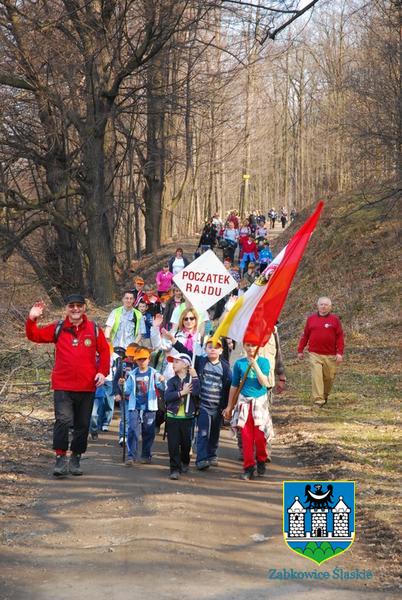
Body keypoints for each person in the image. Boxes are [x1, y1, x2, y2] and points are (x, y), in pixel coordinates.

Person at [25, 295, 110, 477]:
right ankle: (60, 457)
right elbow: (34, 335)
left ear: (84, 308)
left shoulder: (94, 329)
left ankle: (76, 457)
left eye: (79, 306)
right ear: (67, 308)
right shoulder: (58, 328)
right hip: (63, 385)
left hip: (87, 386)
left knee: (82, 424)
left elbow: (104, 351)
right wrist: (32, 319)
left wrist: (102, 372)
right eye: (72, 306)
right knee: (63, 421)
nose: (75, 309)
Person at [223, 342, 273, 480]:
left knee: (259, 436)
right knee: (246, 437)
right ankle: (248, 467)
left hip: (259, 403)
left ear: (259, 347)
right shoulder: (239, 364)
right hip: (244, 402)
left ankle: (261, 460)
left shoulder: (264, 362)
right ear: (244, 346)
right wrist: (229, 406)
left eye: (254, 345)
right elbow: (234, 386)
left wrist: (254, 364)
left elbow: (264, 382)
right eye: (248, 345)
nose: (251, 348)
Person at [297, 297, 344, 407]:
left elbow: (340, 337)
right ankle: (318, 400)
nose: (323, 306)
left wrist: (340, 353)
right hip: (314, 354)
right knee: (316, 376)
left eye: (326, 305)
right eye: (321, 304)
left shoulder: (335, 320)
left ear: (330, 307)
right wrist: (300, 350)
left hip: (330, 355)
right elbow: (305, 335)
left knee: (329, 378)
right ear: (317, 306)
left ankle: (325, 395)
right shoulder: (311, 319)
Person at [195, 338, 232, 470]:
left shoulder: (225, 367)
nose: (212, 349)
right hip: (203, 405)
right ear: (205, 349)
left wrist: (228, 406)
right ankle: (201, 458)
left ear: (221, 350)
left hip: (217, 407)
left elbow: (229, 388)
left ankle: (212, 454)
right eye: (209, 347)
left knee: (215, 432)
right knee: (203, 432)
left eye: (216, 347)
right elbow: (186, 352)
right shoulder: (201, 362)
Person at [124, 347, 165, 464]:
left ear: (149, 359)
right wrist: (121, 385)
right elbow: (127, 390)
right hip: (134, 406)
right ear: (135, 360)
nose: (141, 362)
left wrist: (162, 380)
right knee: (132, 429)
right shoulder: (132, 374)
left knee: (149, 431)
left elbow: (162, 387)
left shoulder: (154, 373)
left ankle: (146, 454)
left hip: (149, 406)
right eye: (139, 359)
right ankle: (131, 456)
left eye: (144, 359)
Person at [164, 353, 200, 480]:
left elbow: (196, 392)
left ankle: (185, 461)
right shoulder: (171, 381)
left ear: (185, 364)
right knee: (173, 445)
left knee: (186, 444)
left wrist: (195, 377)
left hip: (187, 418)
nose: (173, 364)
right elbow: (167, 397)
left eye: (177, 362)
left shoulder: (191, 379)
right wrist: (181, 393)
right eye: (173, 362)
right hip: (172, 417)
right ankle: (174, 468)